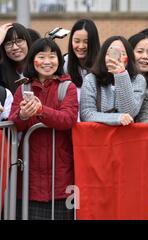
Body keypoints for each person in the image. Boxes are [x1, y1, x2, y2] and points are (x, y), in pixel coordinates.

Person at [9, 38, 78, 220]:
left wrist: (41, 110)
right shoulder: (23, 88)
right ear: (33, 60)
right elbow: (13, 122)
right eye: (42, 56)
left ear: (59, 60)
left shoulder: (67, 87)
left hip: (61, 176)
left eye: (52, 56)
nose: (47, 62)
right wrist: (23, 115)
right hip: (28, 178)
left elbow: (68, 119)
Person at [80, 36, 146, 126]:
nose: (116, 58)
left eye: (122, 53)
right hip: (99, 136)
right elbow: (86, 114)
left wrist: (121, 75)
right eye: (111, 53)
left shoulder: (138, 80)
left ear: (129, 58)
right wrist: (117, 118)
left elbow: (129, 112)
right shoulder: (91, 79)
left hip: (126, 137)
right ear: (103, 56)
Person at [64, 18, 100, 102]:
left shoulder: (102, 65)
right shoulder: (63, 64)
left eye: (86, 42)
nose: (81, 46)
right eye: (77, 41)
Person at [0, 22, 33, 93]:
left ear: (28, 42)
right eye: (8, 44)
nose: (15, 47)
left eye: (19, 41)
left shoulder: (39, 67)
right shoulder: (2, 72)